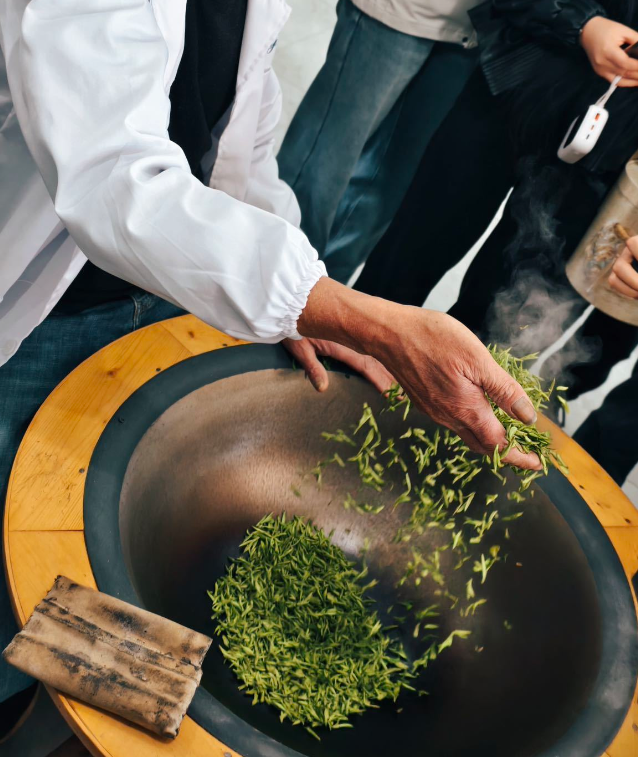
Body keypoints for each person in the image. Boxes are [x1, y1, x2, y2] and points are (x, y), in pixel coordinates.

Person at [0, 0, 539, 736]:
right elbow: (113, 179)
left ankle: (48, 702)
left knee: (90, 540)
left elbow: (239, 145)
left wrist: (312, 299)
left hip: (158, 292)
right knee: (14, 542)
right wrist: (351, 314)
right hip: (42, 306)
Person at [355, 1, 638, 403]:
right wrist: (583, 24)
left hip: (611, 155)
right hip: (516, 80)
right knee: (406, 262)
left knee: (502, 328)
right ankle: (337, 372)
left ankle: (438, 419)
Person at [277, 0, 481, 284]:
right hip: (397, 12)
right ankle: (267, 276)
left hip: (472, 29)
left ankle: (321, 292)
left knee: (385, 189)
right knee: (321, 163)